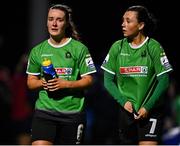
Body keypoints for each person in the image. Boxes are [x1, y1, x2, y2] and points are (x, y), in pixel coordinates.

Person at [101, 5, 173, 145]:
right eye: (123, 21)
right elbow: (108, 81)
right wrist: (124, 102)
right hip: (126, 111)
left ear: (140, 25)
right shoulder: (117, 47)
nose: (123, 24)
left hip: (151, 111)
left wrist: (148, 106)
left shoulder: (153, 47)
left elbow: (164, 80)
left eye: (128, 21)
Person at [26, 4, 96, 145]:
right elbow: (30, 82)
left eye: (59, 19)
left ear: (66, 23)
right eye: (51, 19)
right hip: (45, 112)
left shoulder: (79, 49)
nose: (54, 23)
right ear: (46, 22)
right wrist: (43, 83)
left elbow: (89, 80)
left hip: (72, 114)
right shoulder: (37, 51)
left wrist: (66, 84)